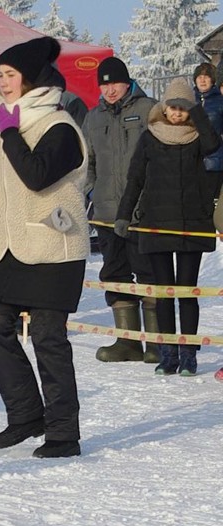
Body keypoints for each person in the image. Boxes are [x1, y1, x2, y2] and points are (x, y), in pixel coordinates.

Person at [0, 36, 89, 458]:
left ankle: (64, 434)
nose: (1, 82)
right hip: (10, 245)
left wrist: (10, 135)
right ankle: (26, 413)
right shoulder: (2, 126)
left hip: (53, 245)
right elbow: (1, 192)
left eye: (9, 75)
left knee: (48, 336)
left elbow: (37, 176)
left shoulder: (58, 125)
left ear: (31, 78)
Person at [115, 79, 220, 377]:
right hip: (156, 223)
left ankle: (188, 354)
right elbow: (135, 178)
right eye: (173, 108)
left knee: (187, 291)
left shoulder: (199, 136)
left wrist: (198, 115)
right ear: (164, 107)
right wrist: (124, 215)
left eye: (183, 110)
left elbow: (215, 146)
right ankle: (167, 353)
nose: (177, 114)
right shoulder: (150, 137)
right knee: (163, 291)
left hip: (192, 223)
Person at [82, 57, 159, 363]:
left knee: (150, 272)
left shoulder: (148, 109)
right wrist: (85, 194)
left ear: (127, 82)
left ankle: (156, 341)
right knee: (115, 272)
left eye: (115, 83)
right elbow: (86, 163)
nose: (110, 90)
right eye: (104, 84)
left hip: (142, 210)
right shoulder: (93, 117)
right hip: (105, 212)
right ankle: (127, 341)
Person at [193, 62, 223, 199]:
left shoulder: (220, 101)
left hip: (215, 161)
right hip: (192, 160)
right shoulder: (189, 100)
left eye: (206, 76)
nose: (202, 80)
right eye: (199, 77)